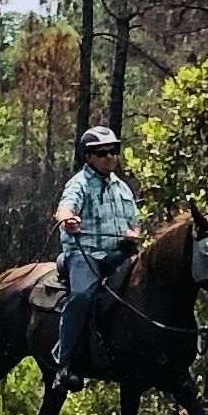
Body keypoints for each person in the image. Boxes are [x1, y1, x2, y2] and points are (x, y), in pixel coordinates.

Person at [53, 123, 142, 388]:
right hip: (86, 254)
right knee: (81, 295)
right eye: (101, 153)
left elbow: (134, 223)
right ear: (88, 157)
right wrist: (69, 221)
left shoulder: (122, 188)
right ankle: (64, 362)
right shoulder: (78, 184)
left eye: (113, 151)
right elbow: (64, 210)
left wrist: (133, 233)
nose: (109, 157)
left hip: (119, 254)